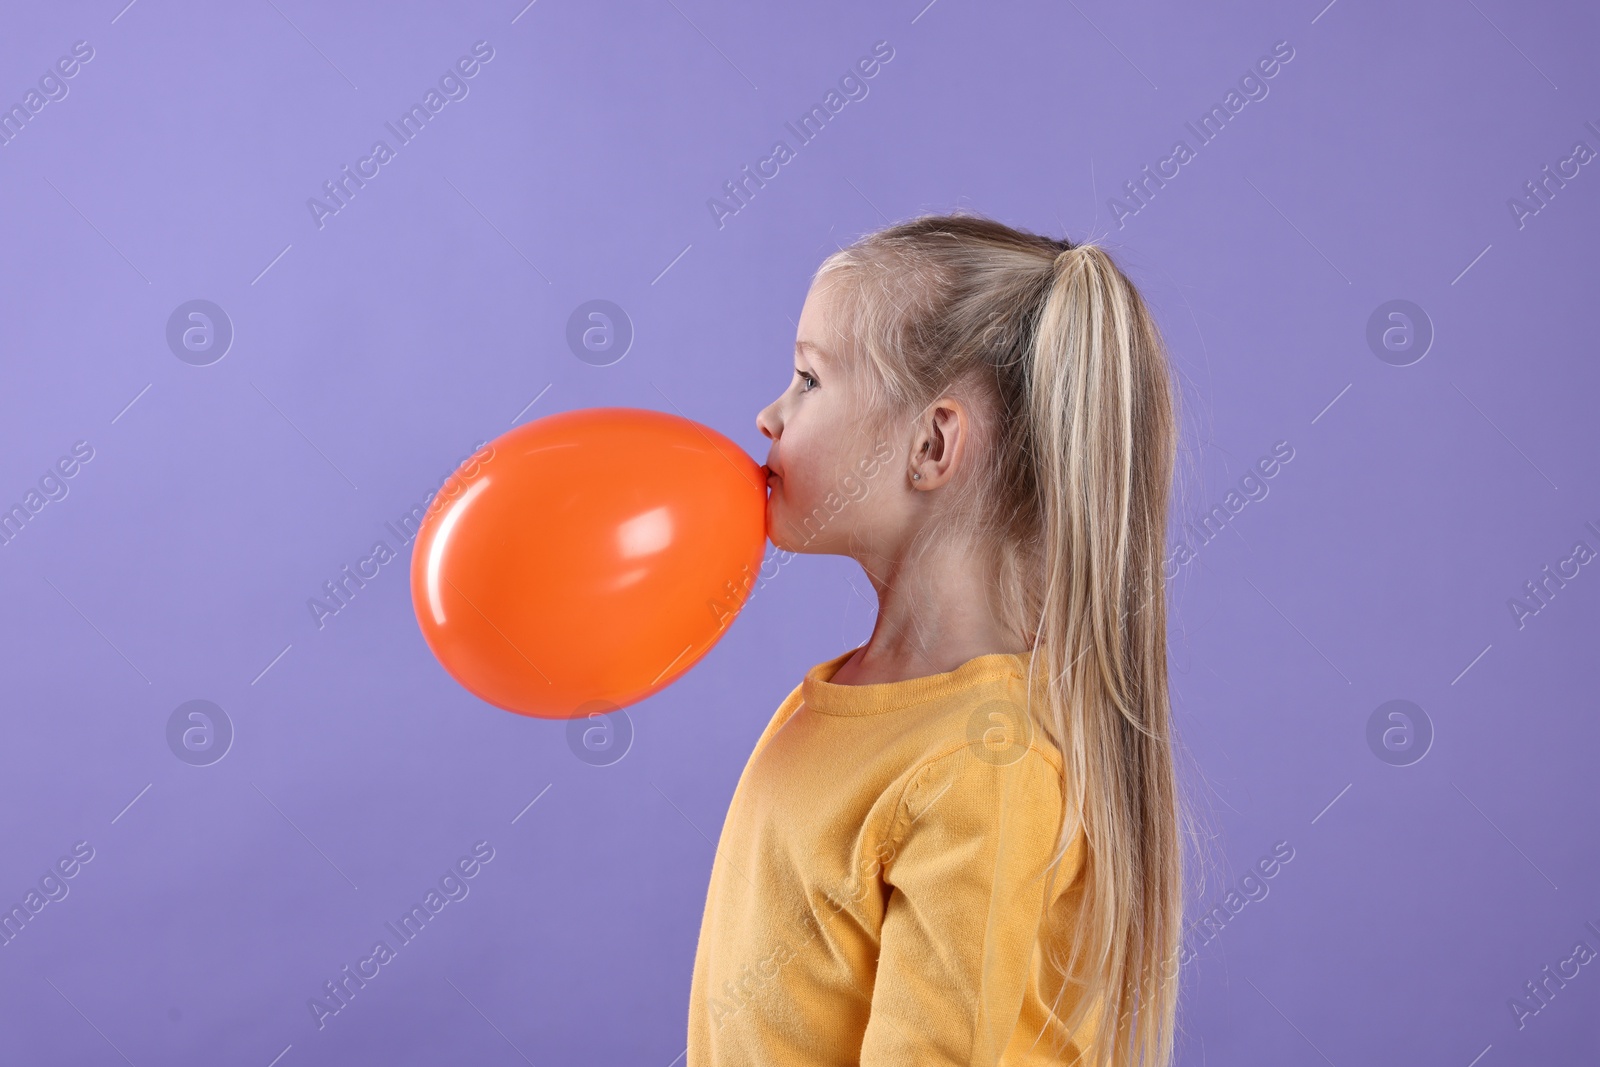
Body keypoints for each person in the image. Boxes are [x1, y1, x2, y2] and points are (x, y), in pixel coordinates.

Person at [687, 211, 1185, 1067]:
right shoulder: (850, 697)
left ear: (933, 443)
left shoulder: (986, 766)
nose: (769, 414)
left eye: (809, 378)